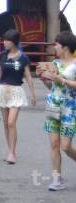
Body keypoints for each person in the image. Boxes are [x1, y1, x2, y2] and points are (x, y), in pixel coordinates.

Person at [0, 28, 37, 164]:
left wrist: (33, 94)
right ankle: (11, 151)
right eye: (4, 40)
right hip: (2, 91)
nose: (5, 43)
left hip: (16, 91)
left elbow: (28, 76)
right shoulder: (2, 56)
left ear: (14, 42)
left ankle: (12, 152)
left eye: (8, 41)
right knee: (6, 123)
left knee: (11, 122)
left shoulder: (23, 58)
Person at [37, 31, 76, 191]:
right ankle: (56, 179)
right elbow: (53, 87)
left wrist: (63, 80)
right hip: (53, 105)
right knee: (54, 144)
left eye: (57, 44)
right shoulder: (54, 63)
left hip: (69, 108)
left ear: (65, 47)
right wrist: (45, 80)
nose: (55, 47)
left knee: (65, 146)